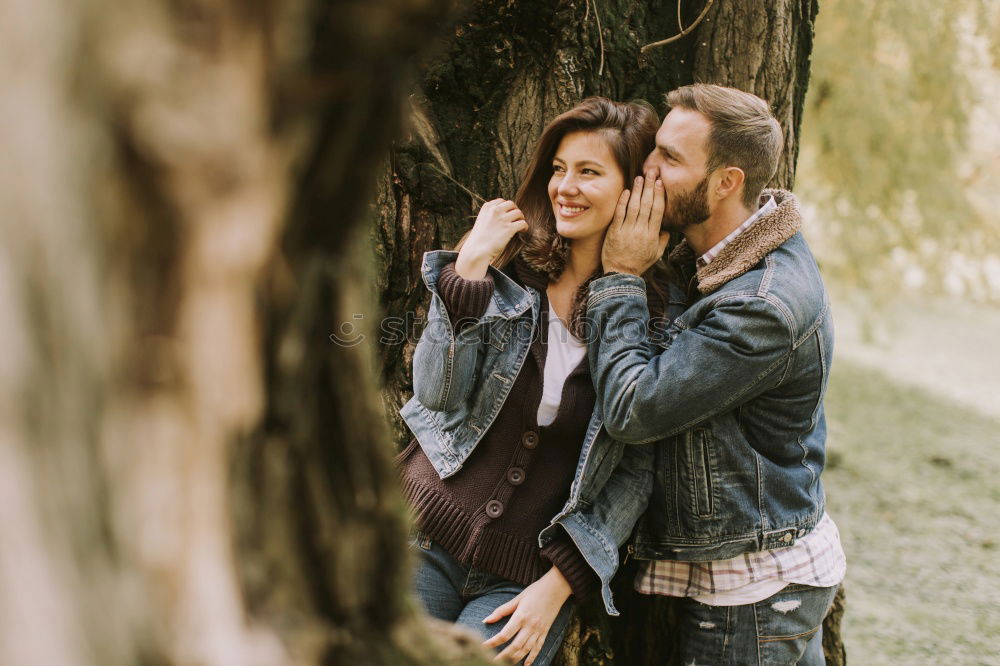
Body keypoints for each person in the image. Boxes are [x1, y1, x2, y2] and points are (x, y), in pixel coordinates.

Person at [397, 97, 672, 665]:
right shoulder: (512, 268)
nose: (564, 187)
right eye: (558, 168)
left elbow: (635, 475)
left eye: (589, 172)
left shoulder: (656, 322)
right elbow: (436, 395)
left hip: (523, 583)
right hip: (421, 534)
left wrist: (562, 581)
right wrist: (469, 267)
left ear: (637, 191)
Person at [588, 83, 847, 665]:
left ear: (728, 181)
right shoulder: (720, 256)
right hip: (763, 570)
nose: (647, 170)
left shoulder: (762, 305)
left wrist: (621, 278)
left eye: (671, 159)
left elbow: (633, 408)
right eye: (656, 148)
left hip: (757, 593)